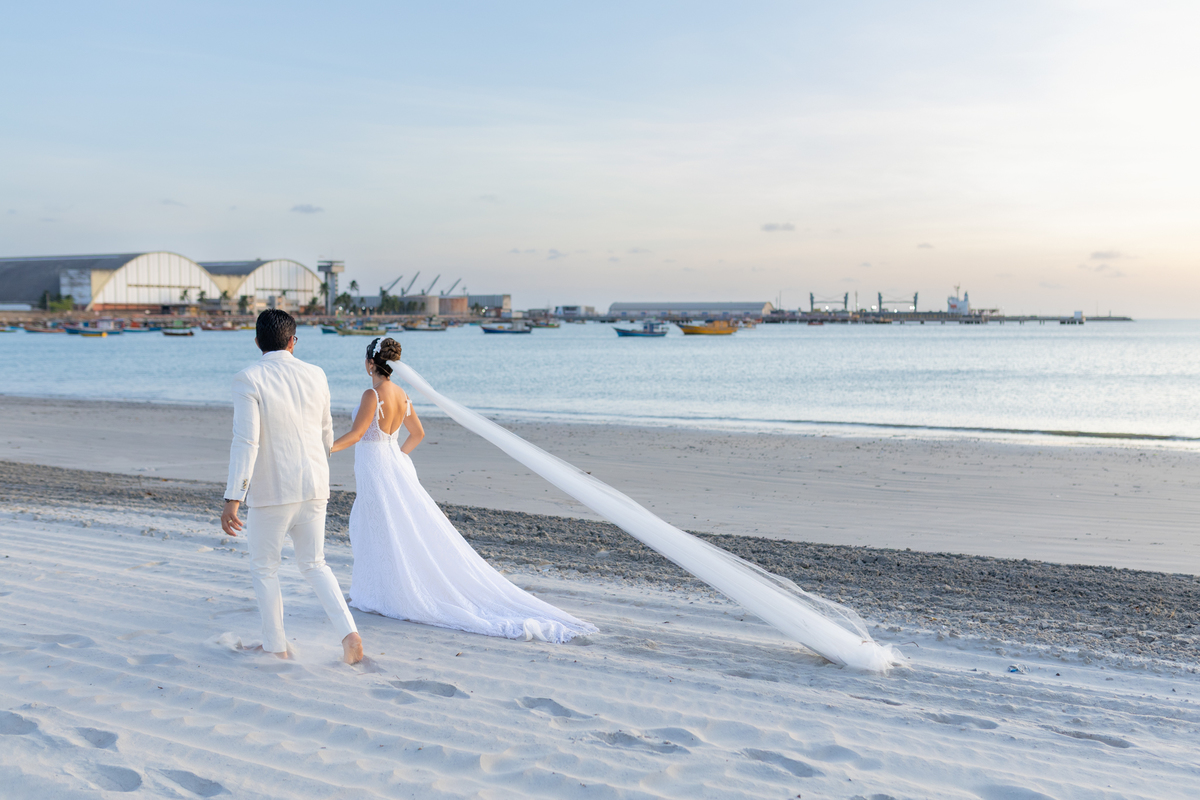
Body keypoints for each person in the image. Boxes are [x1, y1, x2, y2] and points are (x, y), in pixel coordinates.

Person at [330, 337, 596, 643]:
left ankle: (381, 593)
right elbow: (417, 433)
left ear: (370, 364)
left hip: (376, 468)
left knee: (378, 527)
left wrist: (327, 448)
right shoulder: (403, 395)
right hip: (392, 465)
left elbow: (357, 434)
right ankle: (382, 590)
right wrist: (397, 456)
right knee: (393, 528)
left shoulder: (371, 394)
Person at [220, 309, 364, 664]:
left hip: (273, 491)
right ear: (292, 342)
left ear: (257, 341)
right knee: (315, 564)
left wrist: (233, 496)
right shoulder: (316, 374)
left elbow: (246, 441)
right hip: (315, 484)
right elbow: (326, 432)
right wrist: (317, 468)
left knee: (264, 568)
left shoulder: (248, 378)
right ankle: (350, 635)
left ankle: (275, 646)